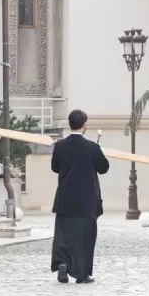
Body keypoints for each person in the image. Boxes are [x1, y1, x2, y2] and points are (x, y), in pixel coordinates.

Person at [50, 109, 110, 284]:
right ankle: (82, 273)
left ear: (70, 124)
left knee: (63, 235)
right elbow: (104, 168)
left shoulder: (60, 146)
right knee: (84, 238)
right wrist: (99, 153)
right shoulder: (92, 147)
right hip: (86, 201)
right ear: (84, 126)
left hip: (65, 200)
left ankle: (62, 263)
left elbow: (55, 168)